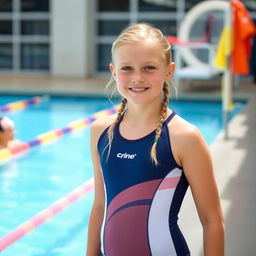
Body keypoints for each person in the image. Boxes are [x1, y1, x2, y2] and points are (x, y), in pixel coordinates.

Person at [86, 23, 224, 256]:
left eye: (149, 68)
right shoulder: (101, 131)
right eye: (127, 68)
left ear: (169, 71)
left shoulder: (184, 137)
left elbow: (212, 221)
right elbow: (100, 204)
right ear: (113, 71)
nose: (137, 78)